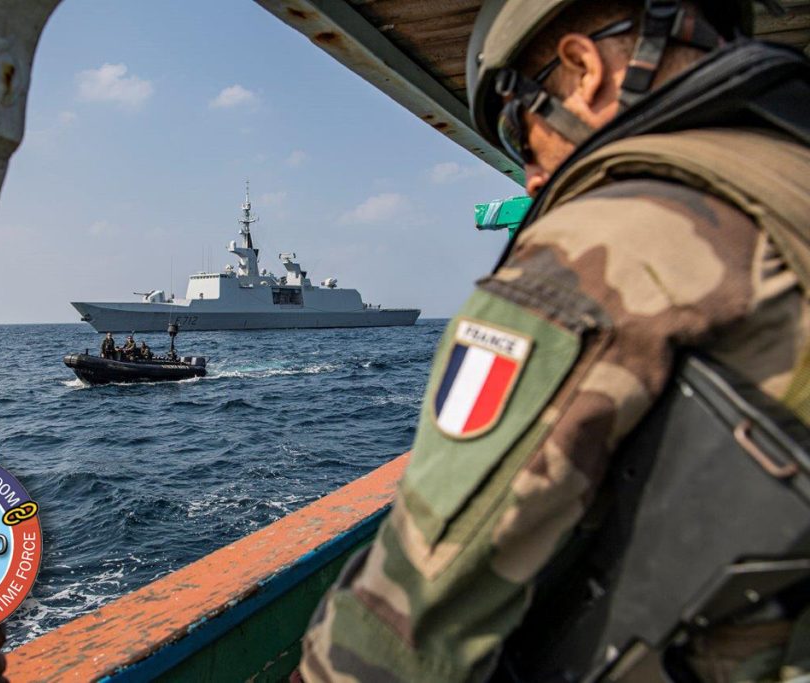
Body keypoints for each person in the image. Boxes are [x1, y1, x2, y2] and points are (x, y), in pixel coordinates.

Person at [300, 2, 810, 681]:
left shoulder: (607, 240)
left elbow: (405, 620)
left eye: (519, 131)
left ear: (583, 69)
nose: (533, 179)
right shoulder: (786, 183)